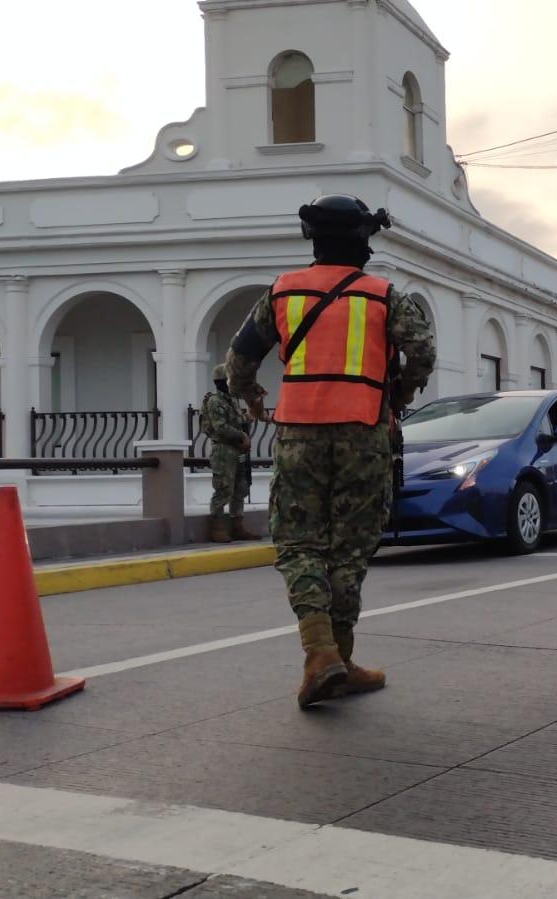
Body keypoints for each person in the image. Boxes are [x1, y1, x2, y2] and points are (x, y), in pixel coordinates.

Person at [226, 194, 435, 708]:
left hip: (298, 432)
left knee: (299, 544)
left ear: (312, 239)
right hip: (364, 430)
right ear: (364, 241)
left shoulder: (282, 292)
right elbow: (423, 353)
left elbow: (239, 360)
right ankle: (333, 655)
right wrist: (400, 393)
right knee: (349, 548)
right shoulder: (385, 296)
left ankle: (324, 655)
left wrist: (252, 397)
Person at [201, 364, 258, 543]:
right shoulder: (215, 401)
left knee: (240, 488)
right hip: (224, 450)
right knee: (224, 487)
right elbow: (221, 427)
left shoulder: (231, 400)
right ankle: (217, 527)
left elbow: (236, 420)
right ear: (223, 381)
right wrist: (241, 435)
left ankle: (237, 525)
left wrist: (247, 417)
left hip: (237, 449)